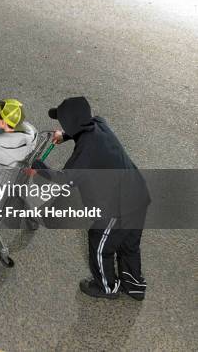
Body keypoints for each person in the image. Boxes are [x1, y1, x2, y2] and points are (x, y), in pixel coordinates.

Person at [31, 97, 150, 300]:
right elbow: (89, 124)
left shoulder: (86, 152)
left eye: (63, 122)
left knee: (100, 242)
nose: (61, 125)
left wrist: (39, 167)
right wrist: (65, 135)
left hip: (119, 207)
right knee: (128, 244)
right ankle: (134, 285)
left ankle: (106, 287)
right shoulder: (98, 124)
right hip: (138, 193)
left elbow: (63, 181)